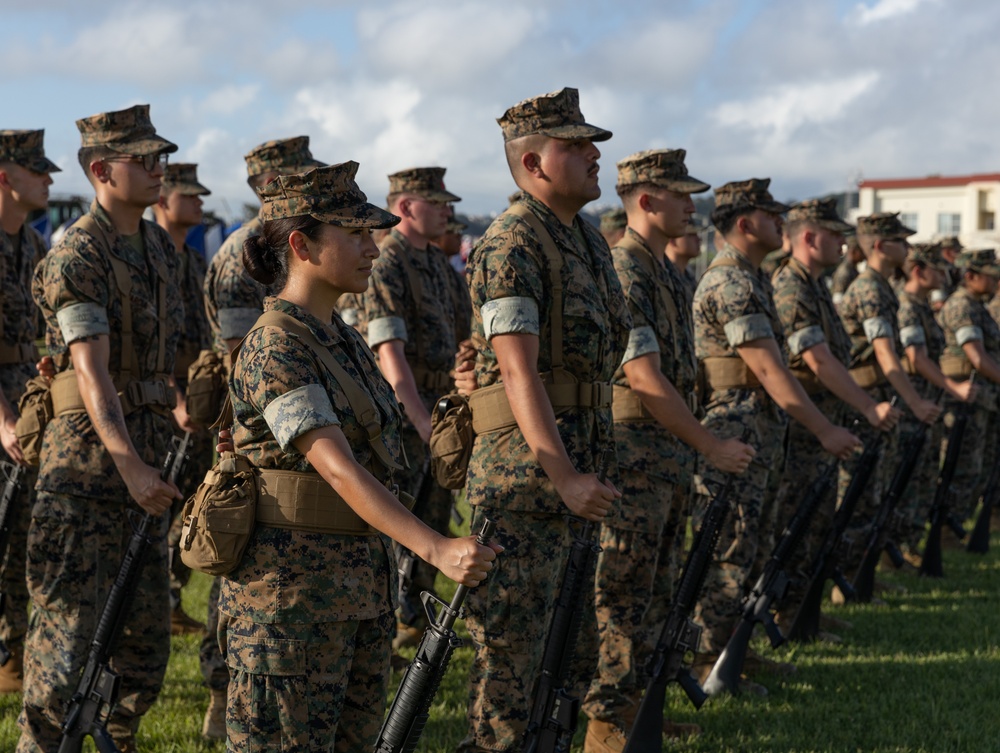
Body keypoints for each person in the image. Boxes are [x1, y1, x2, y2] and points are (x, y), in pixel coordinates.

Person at [220, 161, 497, 751]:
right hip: (288, 606)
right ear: (301, 245)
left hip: (354, 592)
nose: (373, 247)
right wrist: (436, 547)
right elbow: (338, 467)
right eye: (355, 234)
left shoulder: (339, 337)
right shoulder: (274, 344)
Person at [458, 87, 630, 753]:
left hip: (581, 465)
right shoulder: (511, 242)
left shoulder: (586, 239)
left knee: (570, 656)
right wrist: (562, 476)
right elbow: (518, 370)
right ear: (533, 164)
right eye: (576, 145)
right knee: (513, 661)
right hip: (527, 481)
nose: (593, 155)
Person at [18, 104, 183, 753]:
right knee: (63, 653)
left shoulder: (162, 255)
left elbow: (186, 360)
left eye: (158, 157)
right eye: (141, 159)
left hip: (146, 461)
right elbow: (91, 374)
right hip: (88, 470)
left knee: (143, 650)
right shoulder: (78, 253)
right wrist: (134, 466)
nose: (156, 168)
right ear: (100, 170)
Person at [581, 148, 754, 751]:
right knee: (623, 594)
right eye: (681, 194)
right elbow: (647, 378)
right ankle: (606, 724)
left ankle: (633, 714)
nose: (692, 204)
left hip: (663, 460)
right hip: (636, 457)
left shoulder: (665, 270)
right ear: (647, 200)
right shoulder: (629, 269)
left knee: (656, 590)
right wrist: (709, 445)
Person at [689, 179, 859, 691]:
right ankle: (707, 659)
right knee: (731, 548)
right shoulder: (732, 282)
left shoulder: (754, 277)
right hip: (734, 428)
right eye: (771, 214)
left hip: (757, 428)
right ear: (745, 223)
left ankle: (731, 653)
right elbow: (770, 370)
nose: (783, 223)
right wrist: (824, 428)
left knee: (753, 545)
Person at [769, 199, 900, 635]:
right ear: (810, 237)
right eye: (835, 234)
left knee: (817, 522)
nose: (845, 243)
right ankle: (785, 613)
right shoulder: (791, 285)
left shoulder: (815, 283)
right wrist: (866, 406)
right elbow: (818, 360)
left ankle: (802, 611)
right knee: (796, 523)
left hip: (822, 423)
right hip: (804, 426)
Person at [362, 166, 467, 648]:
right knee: (395, 523)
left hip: (442, 411)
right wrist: (424, 424)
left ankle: (414, 620)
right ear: (405, 207)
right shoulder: (388, 263)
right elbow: (390, 357)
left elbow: (466, 343)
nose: (449, 209)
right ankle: (381, 625)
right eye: (437, 201)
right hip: (403, 418)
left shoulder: (441, 268)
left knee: (434, 517)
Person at [835, 212, 941, 596]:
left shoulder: (882, 287)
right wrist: (914, 402)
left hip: (877, 395)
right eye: (900, 241)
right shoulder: (870, 289)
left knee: (874, 491)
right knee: (858, 493)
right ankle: (842, 579)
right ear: (880, 246)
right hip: (866, 398)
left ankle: (860, 573)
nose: (908, 248)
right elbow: (886, 356)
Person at [0, 129, 59, 695]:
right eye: (36, 170)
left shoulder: (36, 247)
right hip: (1, 407)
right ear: (4, 177)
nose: (47, 179)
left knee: (23, 532)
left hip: (25, 395)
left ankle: (12, 652)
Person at [152, 163, 214, 634]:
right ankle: (153, 600)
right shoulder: (151, 255)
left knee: (192, 497)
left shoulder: (193, 261)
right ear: (163, 201)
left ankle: (169, 598)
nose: (199, 203)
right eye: (188, 195)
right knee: (162, 500)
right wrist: (175, 399)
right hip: (163, 396)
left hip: (196, 393)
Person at [203, 136, 323, 358]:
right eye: (303, 179)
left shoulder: (294, 239)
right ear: (271, 185)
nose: (314, 187)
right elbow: (240, 351)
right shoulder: (241, 250)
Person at [895, 243, 977, 564]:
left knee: (925, 474)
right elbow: (916, 358)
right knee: (908, 476)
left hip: (927, 402)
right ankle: (896, 547)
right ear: (919, 271)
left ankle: (909, 543)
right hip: (912, 402)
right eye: (938, 268)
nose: (945, 275)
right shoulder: (907, 307)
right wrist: (952, 386)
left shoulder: (921, 306)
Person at [936, 248, 1000, 528]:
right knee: (962, 465)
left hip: (981, 399)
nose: (996, 281)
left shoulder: (976, 304)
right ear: (971, 276)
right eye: (990, 276)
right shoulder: (962, 306)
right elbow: (977, 358)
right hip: (965, 400)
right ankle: (947, 527)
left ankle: (956, 524)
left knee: (976, 466)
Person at [831, 234, 863, 308]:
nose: (863, 254)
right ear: (854, 252)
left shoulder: (853, 270)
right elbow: (837, 300)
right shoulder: (844, 272)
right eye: (861, 251)